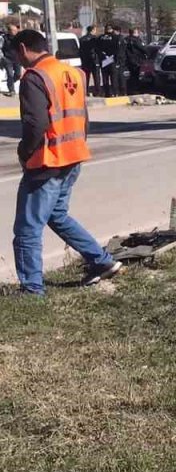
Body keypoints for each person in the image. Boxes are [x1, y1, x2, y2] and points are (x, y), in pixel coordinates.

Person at [11, 29, 121, 296]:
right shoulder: (72, 73)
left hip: (47, 162)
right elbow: (82, 116)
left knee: (27, 229)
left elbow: (35, 124)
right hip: (73, 155)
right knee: (57, 216)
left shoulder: (34, 77)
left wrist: (25, 152)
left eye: (15, 54)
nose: (16, 59)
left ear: (24, 49)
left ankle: (32, 290)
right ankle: (102, 261)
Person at [99, 25, 123, 97]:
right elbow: (118, 49)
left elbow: (98, 49)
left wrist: (104, 56)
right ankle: (115, 92)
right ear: (112, 29)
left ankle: (107, 93)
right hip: (112, 59)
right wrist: (114, 57)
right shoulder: (116, 37)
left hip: (104, 59)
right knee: (114, 77)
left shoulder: (101, 37)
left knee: (105, 77)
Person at [80, 25, 102, 97]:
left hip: (85, 60)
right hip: (94, 60)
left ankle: (85, 91)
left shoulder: (82, 39)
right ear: (93, 30)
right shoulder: (95, 39)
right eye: (95, 30)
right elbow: (98, 50)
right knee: (96, 77)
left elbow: (80, 50)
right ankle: (98, 92)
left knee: (86, 77)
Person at [123, 28, 147, 94]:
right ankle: (134, 90)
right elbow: (142, 48)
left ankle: (129, 90)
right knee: (135, 76)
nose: (138, 34)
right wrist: (148, 53)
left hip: (127, 60)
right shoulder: (136, 40)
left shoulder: (125, 39)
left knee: (130, 76)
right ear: (134, 33)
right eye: (137, 32)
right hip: (136, 60)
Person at [1, 23, 21, 97]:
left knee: (18, 75)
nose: (15, 32)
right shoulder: (4, 38)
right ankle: (11, 90)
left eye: (16, 30)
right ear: (9, 31)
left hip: (17, 59)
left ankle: (11, 82)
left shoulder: (19, 38)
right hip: (7, 59)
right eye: (13, 30)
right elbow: (0, 48)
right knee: (10, 74)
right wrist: (2, 57)